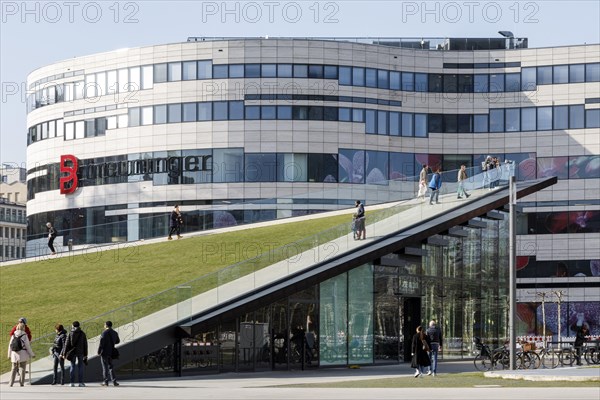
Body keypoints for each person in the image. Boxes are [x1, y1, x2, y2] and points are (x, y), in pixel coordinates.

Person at [8, 321, 35, 387]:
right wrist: (32, 354)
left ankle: (11, 383)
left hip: (14, 354)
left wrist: (9, 355)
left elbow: (10, 345)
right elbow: (27, 346)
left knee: (13, 369)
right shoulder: (25, 335)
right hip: (23, 354)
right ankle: (21, 383)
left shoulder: (13, 335)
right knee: (22, 368)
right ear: (23, 328)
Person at [61, 321, 88, 387]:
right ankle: (81, 383)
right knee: (80, 367)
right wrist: (85, 354)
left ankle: (72, 382)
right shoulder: (82, 333)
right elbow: (85, 345)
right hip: (81, 352)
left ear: (73, 326)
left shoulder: (70, 333)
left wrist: (64, 354)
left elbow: (66, 344)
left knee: (72, 366)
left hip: (72, 352)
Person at [98, 321, 120, 386]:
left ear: (106, 325)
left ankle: (105, 381)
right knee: (111, 367)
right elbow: (118, 341)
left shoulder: (104, 333)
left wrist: (99, 351)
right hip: (111, 352)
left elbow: (101, 343)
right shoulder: (115, 333)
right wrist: (112, 343)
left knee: (105, 367)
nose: (104, 326)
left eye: (104, 325)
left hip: (104, 352)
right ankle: (114, 381)